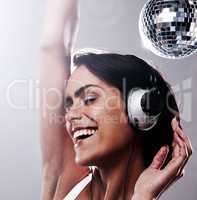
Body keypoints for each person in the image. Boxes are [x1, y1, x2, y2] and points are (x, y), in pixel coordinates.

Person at [40, 0, 192, 200]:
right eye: (69, 104)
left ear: (141, 110)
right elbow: (52, 46)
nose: (70, 116)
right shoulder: (63, 178)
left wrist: (143, 196)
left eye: (89, 99)